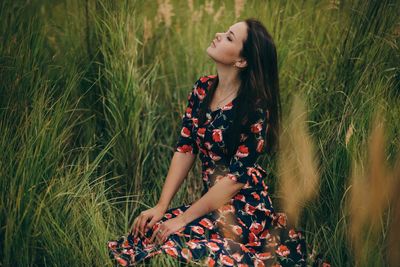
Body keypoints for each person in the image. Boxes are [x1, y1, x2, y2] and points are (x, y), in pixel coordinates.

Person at [107, 18, 327, 267]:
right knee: (147, 234)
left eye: (230, 37)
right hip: (210, 203)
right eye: (226, 31)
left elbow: (235, 181)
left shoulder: (255, 107)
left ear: (241, 61)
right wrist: (162, 205)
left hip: (244, 209)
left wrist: (182, 219)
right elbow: (185, 147)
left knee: (174, 246)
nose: (219, 34)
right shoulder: (202, 89)